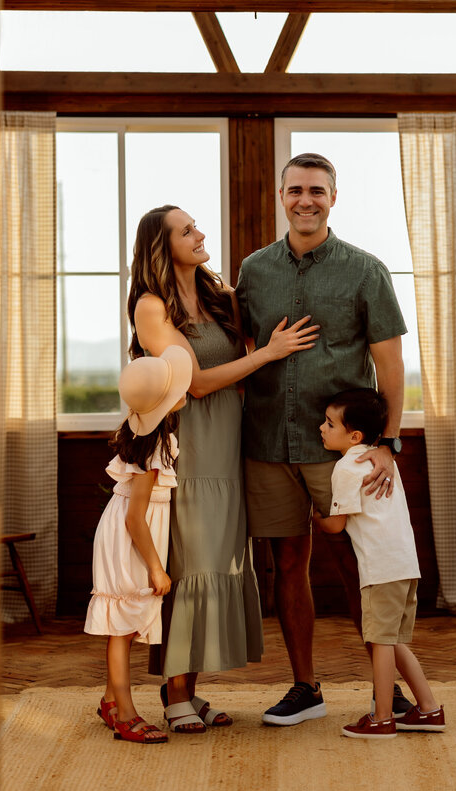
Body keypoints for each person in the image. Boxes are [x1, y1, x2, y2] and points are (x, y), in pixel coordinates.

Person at [235, 153, 411, 726]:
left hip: (338, 453)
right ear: (281, 197)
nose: (304, 200)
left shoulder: (366, 270)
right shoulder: (253, 271)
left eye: (316, 190)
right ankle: (305, 686)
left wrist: (386, 440)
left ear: (334, 197)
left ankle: (393, 693)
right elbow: (238, 350)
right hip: (265, 442)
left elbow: (390, 362)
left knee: (360, 567)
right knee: (288, 563)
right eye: (294, 190)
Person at [129, 204, 319, 733]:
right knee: (190, 566)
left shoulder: (219, 297)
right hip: (189, 452)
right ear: (161, 246)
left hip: (229, 447)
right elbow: (197, 383)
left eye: (196, 226)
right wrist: (269, 353)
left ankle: (193, 692)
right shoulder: (151, 307)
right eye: (186, 230)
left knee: (216, 565)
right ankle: (174, 697)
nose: (200, 233)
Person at [312, 388, 444, 739]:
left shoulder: (346, 467)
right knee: (395, 641)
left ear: (353, 436)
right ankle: (429, 709)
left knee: (381, 643)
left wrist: (314, 516)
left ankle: (382, 717)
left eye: (329, 423)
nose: (321, 428)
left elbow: (337, 524)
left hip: (381, 570)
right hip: (405, 566)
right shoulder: (380, 460)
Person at [84, 345, 192, 744]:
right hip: (132, 537)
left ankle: (110, 702)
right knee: (122, 627)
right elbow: (135, 518)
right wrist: (155, 567)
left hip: (132, 531)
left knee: (125, 623)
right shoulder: (152, 448)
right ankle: (126, 714)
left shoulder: (153, 435)